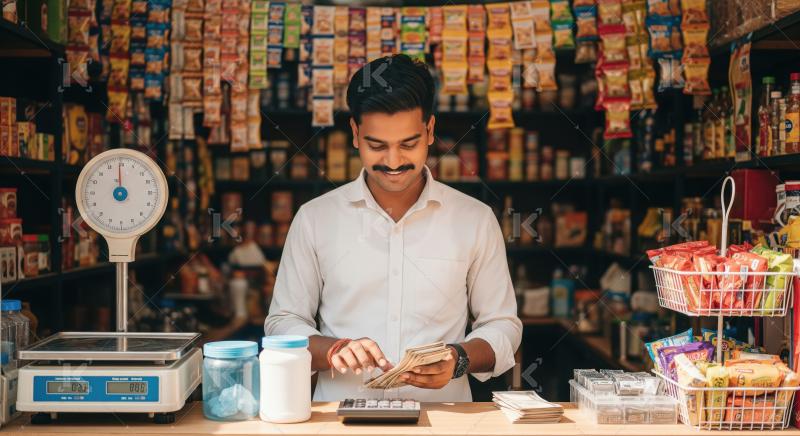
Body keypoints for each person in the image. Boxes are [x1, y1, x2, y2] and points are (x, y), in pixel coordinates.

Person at [264, 54, 522, 401]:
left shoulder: (474, 219)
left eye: (408, 144)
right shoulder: (315, 218)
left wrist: (458, 359)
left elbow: (503, 325)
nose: (394, 161)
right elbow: (282, 323)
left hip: (443, 422)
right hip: (342, 421)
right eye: (377, 145)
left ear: (430, 131)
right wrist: (334, 349)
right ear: (355, 134)